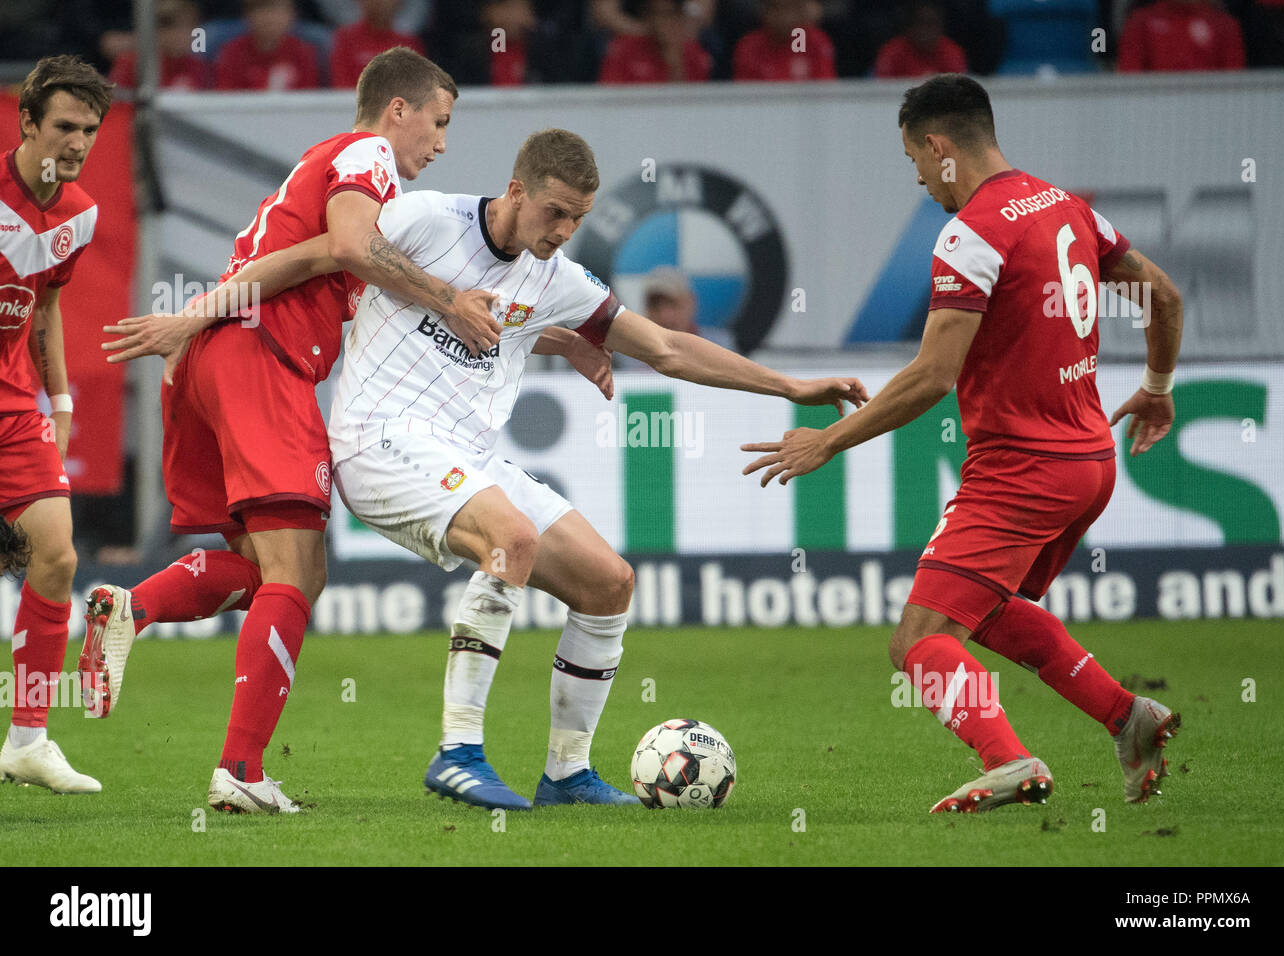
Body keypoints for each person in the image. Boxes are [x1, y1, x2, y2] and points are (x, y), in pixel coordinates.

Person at [85, 49, 607, 815]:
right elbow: (340, 250)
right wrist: (196, 316)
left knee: (277, 576)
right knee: (297, 573)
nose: (441, 143)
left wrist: (550, 336)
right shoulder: (367, 158)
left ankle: (133, 609)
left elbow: (333, 265)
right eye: (438, 121)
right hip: (260, 359)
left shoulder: (327, 171)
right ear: (398, 110)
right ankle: (239, 772)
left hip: (218, 360)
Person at [316, 128, 867, 810]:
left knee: (609, 583)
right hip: (378, 441)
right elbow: (338, 249)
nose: (566, 230)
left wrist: (788, 387)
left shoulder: (556, 280)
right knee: (510, 539)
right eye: (555, 212)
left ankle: (567, 775)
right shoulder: (427, 219)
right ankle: (457, 751)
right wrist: (210, 313)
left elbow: (666, 348)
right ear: (517, 190)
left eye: (579, 217)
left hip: (468, 456)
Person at [742, 74, 1183, 813]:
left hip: (1022, 468)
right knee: (989, 610)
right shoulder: (1067, 207)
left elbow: (932, 376)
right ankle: (1127, 717)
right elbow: (1162, 295)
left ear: (939, 146)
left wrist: (829, 442)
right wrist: (1160, 385)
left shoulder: (974, 232)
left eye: (915, 159)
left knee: (916, 640)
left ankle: (1009, 760)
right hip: (1089, 464)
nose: (918, 177)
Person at [0, 55, 113, 794]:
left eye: (90, 129)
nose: (76, 142)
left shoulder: (80, 214)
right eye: (64, 126)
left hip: (13, 406)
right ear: (28, 123)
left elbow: (45, 308)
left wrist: (62, 403)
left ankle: (28, 738)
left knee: (58, 557)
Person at [215, 0, 321, 91]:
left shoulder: (303, 52)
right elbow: (226, 97)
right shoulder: (232, 53)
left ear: (292, 15)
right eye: (262, 12)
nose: (270, 19)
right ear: (247, 16)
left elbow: (308, 97)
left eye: (277, 12)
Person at [598, 0, 712, 84]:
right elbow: (609, 96)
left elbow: (699, 100)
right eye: (663, 15)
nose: (669, 22)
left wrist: (675, 63)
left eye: (675, 14)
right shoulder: (625, 49)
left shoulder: (694, 53)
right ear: (649, 17)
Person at [108, 0, 210, 93]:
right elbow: (116, 105)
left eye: (190, 27)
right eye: (174, 28)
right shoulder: (132, 64)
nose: (183, 36)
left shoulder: (198, 66)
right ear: (159, 31)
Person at [1117, 0, 1246, 72]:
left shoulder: (1224, 25)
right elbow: (1130, 80)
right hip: (1154, 110)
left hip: (1209, 111)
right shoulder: (1141, 21)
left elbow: (1233, 85)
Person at [330, 0, 426, 90]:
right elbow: (341, 85)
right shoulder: (345, 39)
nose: (378, 2)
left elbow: (416, 89)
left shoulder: (409, 43)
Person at [732, 0, 837, 82]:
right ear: (764, 11)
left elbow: (825, 89)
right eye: (777, 9)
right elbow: (744, 95)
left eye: (791, 9)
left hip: (807, 108)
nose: (785, 17)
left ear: (801, 11)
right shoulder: (749, 46)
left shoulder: (814, 41)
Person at [873, 1, 967, 79]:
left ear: (941, 26)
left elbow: (958, 88)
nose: (926, 30)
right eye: (921, 23)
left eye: (931, 24)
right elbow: (883, 89)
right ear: (910, 27)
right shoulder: (892, 52)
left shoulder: (952, 52)